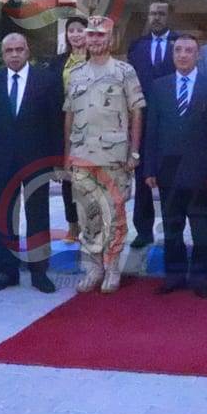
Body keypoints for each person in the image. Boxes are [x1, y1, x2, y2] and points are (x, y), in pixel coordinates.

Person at [65, 16, 145, 294]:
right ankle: (94, 267)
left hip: (114, 157)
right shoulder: (76, 73)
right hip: (82, 155)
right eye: (92, 35)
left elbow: (137, 112)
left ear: (111, 39)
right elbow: (69, 114)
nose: (95, 39)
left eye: (101, 35)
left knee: (115, 214)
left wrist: (135, 152)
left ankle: (112, 267)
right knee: (87, 214)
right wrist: (66, 154)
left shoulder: (125, 71)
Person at [143, 34, 207, 299]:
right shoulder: (159, 86)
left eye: (188, 50)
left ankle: (201, 278)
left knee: (202, 229)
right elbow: (152, 129)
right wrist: (149, 168)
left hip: (201, 172)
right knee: (172, 227)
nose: (182, 55)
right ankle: (174, 275)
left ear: (197, 55)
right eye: (178, 50)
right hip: (167, 170)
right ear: (172, 54)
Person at [0, 34, 65, 294]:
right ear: (3, 54)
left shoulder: (47, 80)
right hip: (2, 161)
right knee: (5, 217)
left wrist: (57, 161)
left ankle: (39, 273)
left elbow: (56, 123)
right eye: (9, 50)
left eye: (19, 49)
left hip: (37, 160)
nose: (14, 54)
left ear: (28, 51)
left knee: (38, 215)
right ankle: (8, 271)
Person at [127, 2, 178, 249]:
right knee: (142, 179)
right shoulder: (137, 46)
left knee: (171, 179)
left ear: (169, 17)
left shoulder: (179, 43)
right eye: (152, 13)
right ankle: (143, 230)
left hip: (172, 121)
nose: (156, 17)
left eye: (161, 14)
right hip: (143, 121)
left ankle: (172, 231)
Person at [47, 16, 89, 243]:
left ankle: (91, 226)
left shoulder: (97, 59)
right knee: (68, 177)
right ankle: (72, 225)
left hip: (91, 123)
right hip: (64, 122)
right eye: (71, 30)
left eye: (80, 30)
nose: (75, 34)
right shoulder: (58, 62)